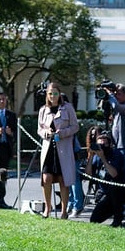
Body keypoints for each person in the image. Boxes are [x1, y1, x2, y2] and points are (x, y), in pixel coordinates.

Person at [38, 83, 80, 218]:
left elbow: (75, 127)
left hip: (64, 149)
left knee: (63, 180)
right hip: (48, 149)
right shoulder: (43, 110)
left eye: (55, 93)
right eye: (50, 94)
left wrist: (62, 133)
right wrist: (46, 132)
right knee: (46, 178)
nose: (53, 96)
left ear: (59, 94)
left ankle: (64, 211)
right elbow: (39, 129)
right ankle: (48, 208)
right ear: (47, 95)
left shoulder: (67, 108)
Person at [86, 131, 125, 227]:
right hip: (104, 193)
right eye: (99, 144)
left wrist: (103, 158)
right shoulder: (96, 157)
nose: (102, 147)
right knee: (94, 220)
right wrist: (91, 156)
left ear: (110, 145)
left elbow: (114, 174)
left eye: (104, 144)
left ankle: (118, 218)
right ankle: (112, 210)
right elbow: (88, 174)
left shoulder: (116, 154)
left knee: (114, 189)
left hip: (120, 192)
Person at [108, 83, 125, 214]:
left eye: (119, 93)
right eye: (115, 93)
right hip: (117, 147)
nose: (116, 96)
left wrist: (110, 95)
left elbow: (117, 106)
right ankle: (118, 204)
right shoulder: (116, 111)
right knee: (117, 177)